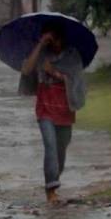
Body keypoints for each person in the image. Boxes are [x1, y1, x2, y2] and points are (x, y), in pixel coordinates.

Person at [20, 21, 86, 204]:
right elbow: (26, 70)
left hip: (64, 111)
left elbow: (76, 81)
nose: (53, 42)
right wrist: (40, 44)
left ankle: (54, 179)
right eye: (49, 39)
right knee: (50, 146)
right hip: (45, 110)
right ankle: (51, 190)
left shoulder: (72, 55)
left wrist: (54, 73)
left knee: (60, 151)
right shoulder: (41, 55)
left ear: (62, 37)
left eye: (55, 38)